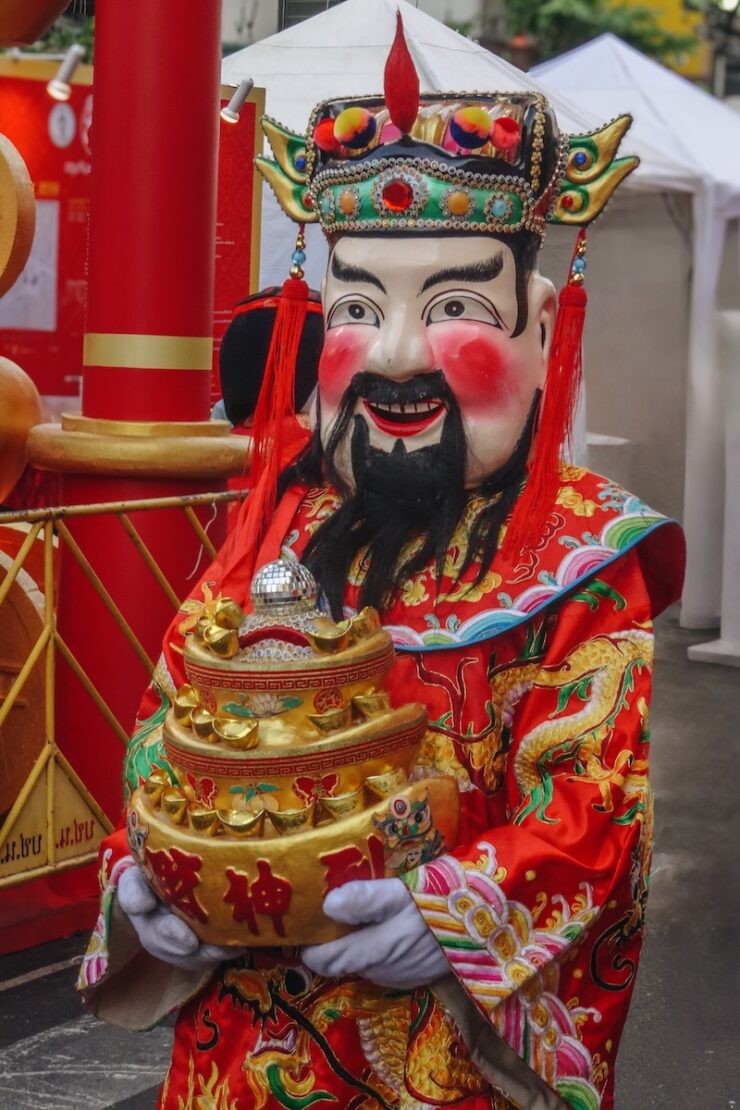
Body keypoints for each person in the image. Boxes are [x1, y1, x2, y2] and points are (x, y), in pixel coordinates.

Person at [78, 21, 685, 1110]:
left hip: (427, 1054)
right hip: (235, 1042)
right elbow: (164, 728)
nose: (396, 354)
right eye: (359, 308)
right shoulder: (278, 522)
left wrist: (458, 912)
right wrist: (140, 872)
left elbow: (597, 812)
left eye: (452, 308)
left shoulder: (583, 559)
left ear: (540, 329)